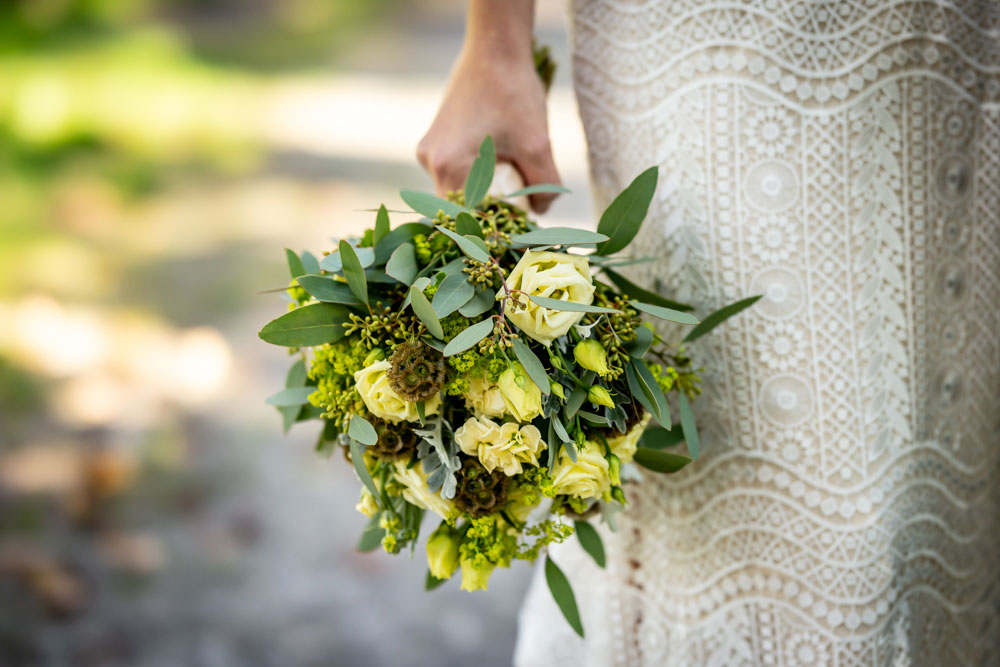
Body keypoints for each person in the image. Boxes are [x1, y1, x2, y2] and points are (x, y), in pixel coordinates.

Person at [418, 1, 1000, 665]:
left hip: (959, 41)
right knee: (829, 509)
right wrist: (495, 44)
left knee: (939, 476)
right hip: (708, 31)